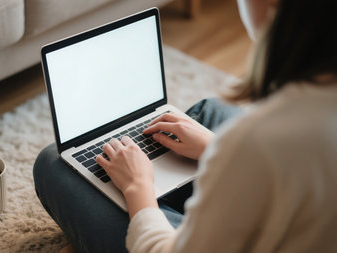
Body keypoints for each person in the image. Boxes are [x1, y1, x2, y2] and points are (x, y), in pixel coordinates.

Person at [33, 0, 337, 252]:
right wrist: (214, 148)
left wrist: (139, 188)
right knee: (210, 110)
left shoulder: (255, 139)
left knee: (52, 163)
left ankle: (163, 203)